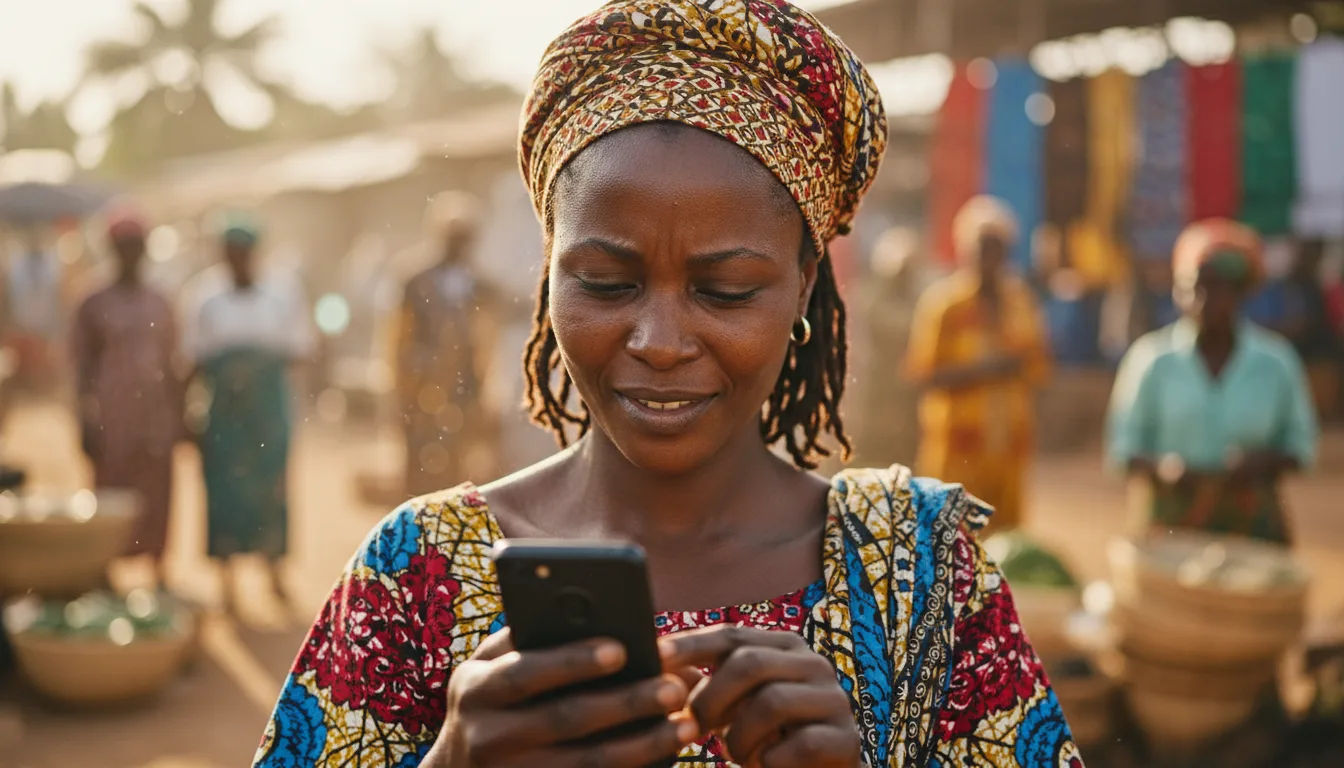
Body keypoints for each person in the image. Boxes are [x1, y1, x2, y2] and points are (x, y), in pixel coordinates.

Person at [255, 3, 1081, 767]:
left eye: (724, 292)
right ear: (547, 281)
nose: (657, 342)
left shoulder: (928, 580)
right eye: (607, 284)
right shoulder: (416, 575)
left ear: (803, 289)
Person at [1106, 219, 1318, 544]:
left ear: (1242, 292)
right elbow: (1123, 447)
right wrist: (1163, 468)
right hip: (1170, 522)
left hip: (1252, 524)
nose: (1204, 300)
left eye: (1219, 287)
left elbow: (1300, 446)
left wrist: (1261, 462)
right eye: (1195, 286)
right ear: (1178, 290)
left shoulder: (1276, 363)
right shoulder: (1151, 359)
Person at [182, 215, 314, 613]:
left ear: (255, 254)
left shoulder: (283, 292)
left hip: (268, 413)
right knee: (223, 492)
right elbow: (192, 361)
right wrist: (186, 413)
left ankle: (274, 574)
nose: (237, 261)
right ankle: (227, 584)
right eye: (229, 254)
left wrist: (255, 374)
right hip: (224, 416)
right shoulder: (203, 297)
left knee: (270, 488)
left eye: (244, 254)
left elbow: (302, 349)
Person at [904, 196, 1054, 535]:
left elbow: (1039, 367)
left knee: (1004, 547)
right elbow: (924, 375)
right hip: (958, 451)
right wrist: (989, 370)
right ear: (964, 250)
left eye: (996, 249)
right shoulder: (943, 305)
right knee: (948, 544)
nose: (988, 258)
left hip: (1009, 452)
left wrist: (1018, 368)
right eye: (981, 248)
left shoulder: (1021, 303)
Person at [69, 208, 183, 588]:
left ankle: (157, 567)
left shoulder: (160, 302)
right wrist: (83, 420)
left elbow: (172, 365)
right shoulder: (93, 302)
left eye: (137, 245)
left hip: (155, 419)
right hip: (112, 419)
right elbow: (82, 366)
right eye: (124, 246)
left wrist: (182, 417)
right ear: (112, 249)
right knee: (111, 494)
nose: (131, 253)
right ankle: (107, 571)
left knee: (157, 495)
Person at [394, 192, 495, 497]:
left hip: (465, 385)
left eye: (464, 236)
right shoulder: (415, 280)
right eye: (453, 236)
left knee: (460, 459)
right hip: (421, 383)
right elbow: (398, 336)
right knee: (419, 456)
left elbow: (488, 341)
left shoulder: (481, 286)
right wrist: (403, 381)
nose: (458, 243)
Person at [850, 227, 936, 467]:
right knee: (875, 441)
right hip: (880, 381)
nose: (903, 277)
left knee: (910, 442)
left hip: (910, 383)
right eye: (899, 272)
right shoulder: (872, 298)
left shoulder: (924, 300)